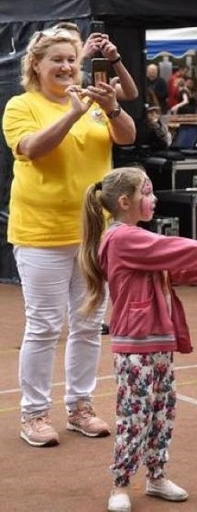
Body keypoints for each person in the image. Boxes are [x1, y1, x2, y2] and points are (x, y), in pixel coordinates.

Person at [78, 167, 197, 512]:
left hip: (159, 341)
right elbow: (172, 248)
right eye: (146, 193)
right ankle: (121, 483)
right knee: (134, 415)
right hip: (135, 345)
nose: (154, 198)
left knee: (162, 412)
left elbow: (176, 268)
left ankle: (156, 474)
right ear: (124, 201)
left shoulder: (138, 239)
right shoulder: (123, 238)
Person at [2, 27, 136, 447]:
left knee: (88, 323)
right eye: (55, 60)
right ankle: (34, 414)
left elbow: (127, 136)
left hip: (93, 233)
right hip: (41, 233)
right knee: (44, 326)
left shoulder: (94, 102)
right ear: (35, 65)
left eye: (70, 60)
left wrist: (111, 109)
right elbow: (33, 148)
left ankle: (80, 406)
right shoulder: (20, 105)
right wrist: (72, 114)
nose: (64, 66)